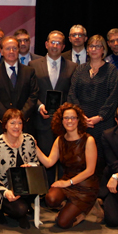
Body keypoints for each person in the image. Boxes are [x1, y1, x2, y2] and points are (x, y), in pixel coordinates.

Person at [35, 103, 99, 229]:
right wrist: (34, 146)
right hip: (68, 183)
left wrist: (67, 182)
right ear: (61, 120)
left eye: (73, 118)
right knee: (50, 199)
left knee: (63, 223)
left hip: (86, 186)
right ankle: (71, 206)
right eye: (66, 118)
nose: (69, 121)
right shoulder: (60, 140)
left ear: (78, 120)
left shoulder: (88, 140)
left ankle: (85, 209)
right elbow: (49, 163)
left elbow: (90, 170)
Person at [0, 109, 40, 229]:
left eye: (20, 123)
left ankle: (22, 207)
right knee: (20, 210)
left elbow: (36, 163)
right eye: (12, 123)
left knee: (38, 189)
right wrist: (6, 193)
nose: (17, 127)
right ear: (5, 125)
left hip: (23, 186)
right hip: (2, 187)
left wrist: (30, 166)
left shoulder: (29, 140)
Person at [67, 34, 118, 157]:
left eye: (98, 46)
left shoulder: (111, 70)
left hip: (102, 123)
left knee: (100, 158)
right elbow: (72, 93)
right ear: (88, 50)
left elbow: (113, 97)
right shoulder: (80, 69)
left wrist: (100, 117)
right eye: (91, 46)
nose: (94, 49)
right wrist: (81, 116)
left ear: (103, 50)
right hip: (81, 121)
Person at [29, 30, 76, 159]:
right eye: (52, 42)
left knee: (65, 158)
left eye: (58, 43)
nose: (55, 46)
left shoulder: (73, 67)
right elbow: (31, 90)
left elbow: (73, 92)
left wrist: (65, 109)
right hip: (42, 120)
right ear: (46, 44)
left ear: (63, 47)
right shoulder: (33, 65)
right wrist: (39, 106)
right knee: (45, 158)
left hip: (64, 121)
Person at [0, 36, 38, 142]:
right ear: (1, 51)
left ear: (18, 50)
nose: (11, 51)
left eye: (14, 48)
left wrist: (19, 119)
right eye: (7, 48)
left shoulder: (29, 71)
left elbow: (33, 95)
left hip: (25, 126)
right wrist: (8, 119)